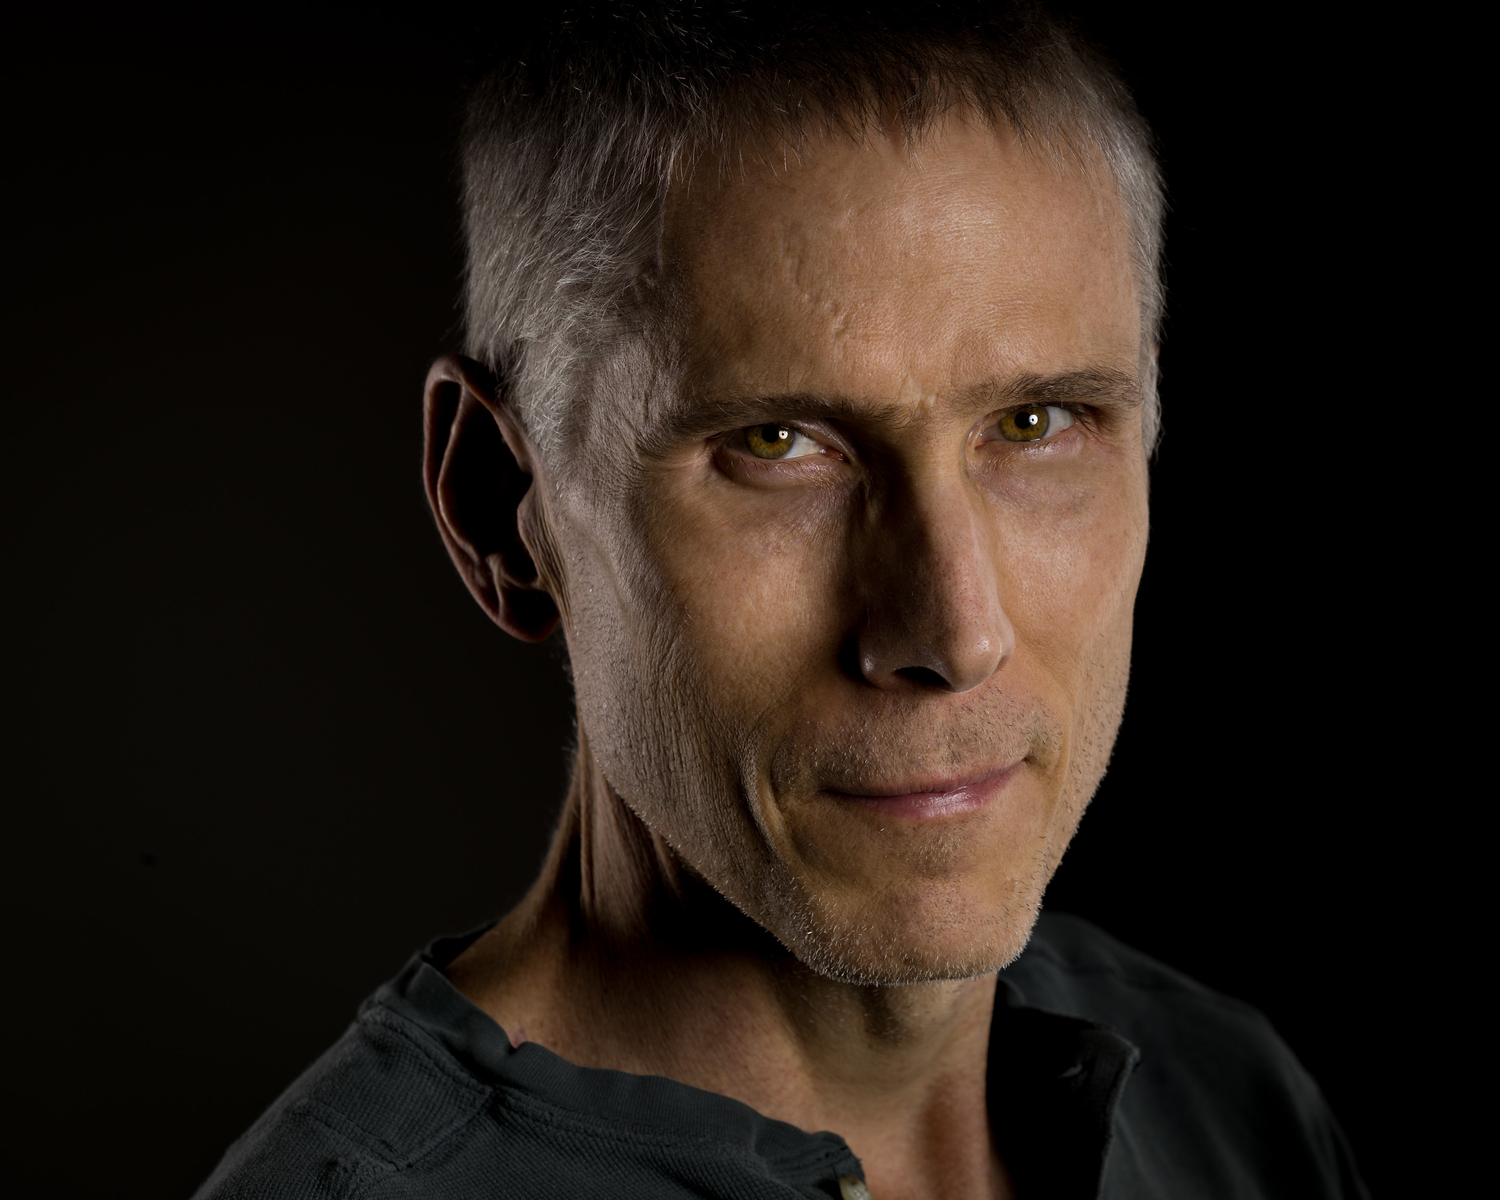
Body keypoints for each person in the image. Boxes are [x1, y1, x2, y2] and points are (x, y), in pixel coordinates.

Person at [196, 4, 1366, 1197]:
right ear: (503, 506)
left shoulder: (1231, 1103)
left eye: (1036, 422)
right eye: (779, 444)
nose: (954, 633)